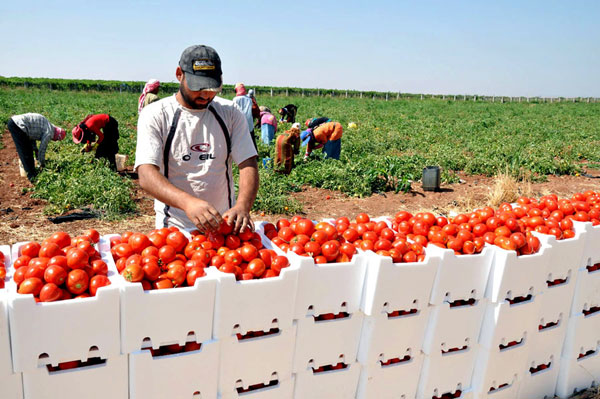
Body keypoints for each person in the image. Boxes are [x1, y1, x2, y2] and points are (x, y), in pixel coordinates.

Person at [135, 45, 259, 233]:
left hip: (224, 225)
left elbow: (248, 162)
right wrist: (187, 203)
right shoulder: (156, 114)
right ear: (179, 74)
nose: (205, 94)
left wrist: (242, 206)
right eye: (197, 86)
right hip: (175, 229)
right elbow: (146, 174)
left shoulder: (231, 113)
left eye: (211, 87)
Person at [7, 113, 66, 182]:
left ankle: (31, 172)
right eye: (56, 139)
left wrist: (35, 151)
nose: (55, 140)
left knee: (28, 149)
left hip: (15, 122)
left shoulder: (48, 126)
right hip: (18, 125)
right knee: (26, 152)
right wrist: (42, 163)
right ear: (57, 135)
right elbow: (42, 149)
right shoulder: (49, 132)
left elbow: (32, 136)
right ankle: (32, 177)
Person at [232, 83, 257, 149]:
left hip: (239, 123)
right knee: (251, 141)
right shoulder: (249, 99)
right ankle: (254, 155)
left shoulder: (235, 99)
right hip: (249, 124)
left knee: (240, 142)